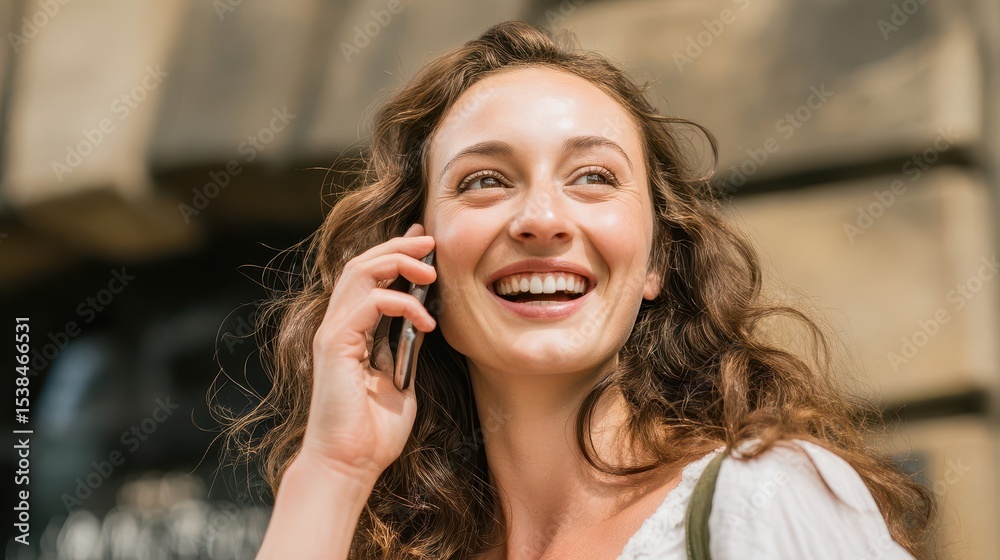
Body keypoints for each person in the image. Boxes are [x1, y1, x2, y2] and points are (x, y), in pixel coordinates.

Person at [219, 20, 936, 559]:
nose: (541, 219)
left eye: (593, 177)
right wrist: (332, 471)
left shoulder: (763, 500)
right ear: (414, 260)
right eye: (485, 180)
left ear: (656, 261)